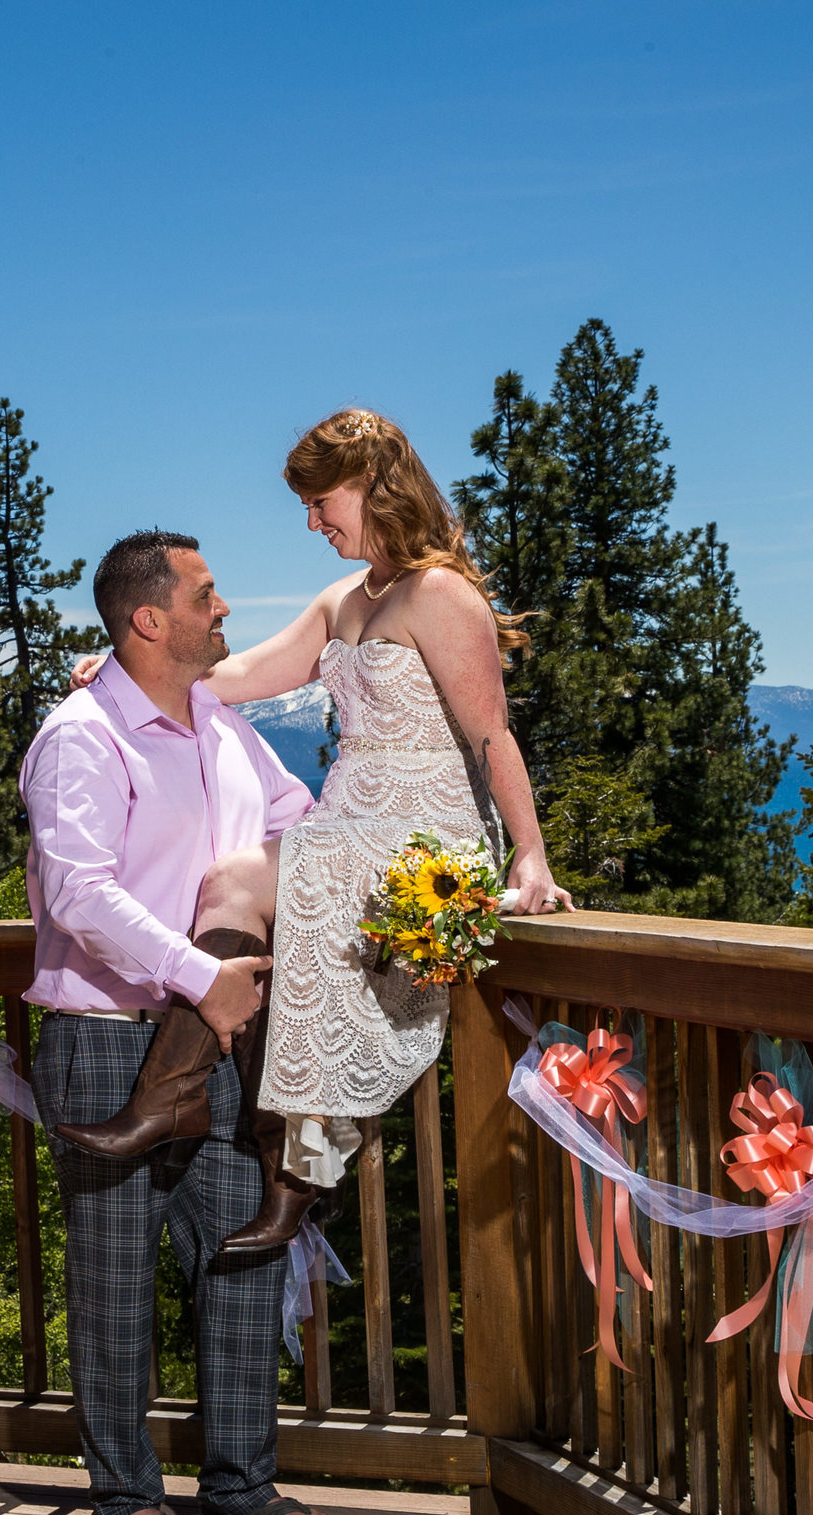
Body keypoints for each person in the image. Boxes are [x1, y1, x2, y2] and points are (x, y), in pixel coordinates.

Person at [55, 408, 572, 1250]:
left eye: (321, 499)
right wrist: (124, 664)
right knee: (232, 882)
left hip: (424, 836)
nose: (311, 520)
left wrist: (531, 855)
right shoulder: (342, 600)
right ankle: (274, 1155)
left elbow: (492, 734)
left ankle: (207, 1118)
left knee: (237, 880)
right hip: (346, 822)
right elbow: (243, 674)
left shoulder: (439, 592)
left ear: (373, 485)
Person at [21, 528, 347, 1515]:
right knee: (114, 1282)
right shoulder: (80, 737)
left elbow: (297, 819)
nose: (225, 610)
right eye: (207, 595)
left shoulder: (220, 724)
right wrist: (198, 968)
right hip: (108, 1042)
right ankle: (126, 1499)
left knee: (247, 1250)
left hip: (219, 1043)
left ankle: (240, 1487)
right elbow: (78, 894)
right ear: (146, 619)